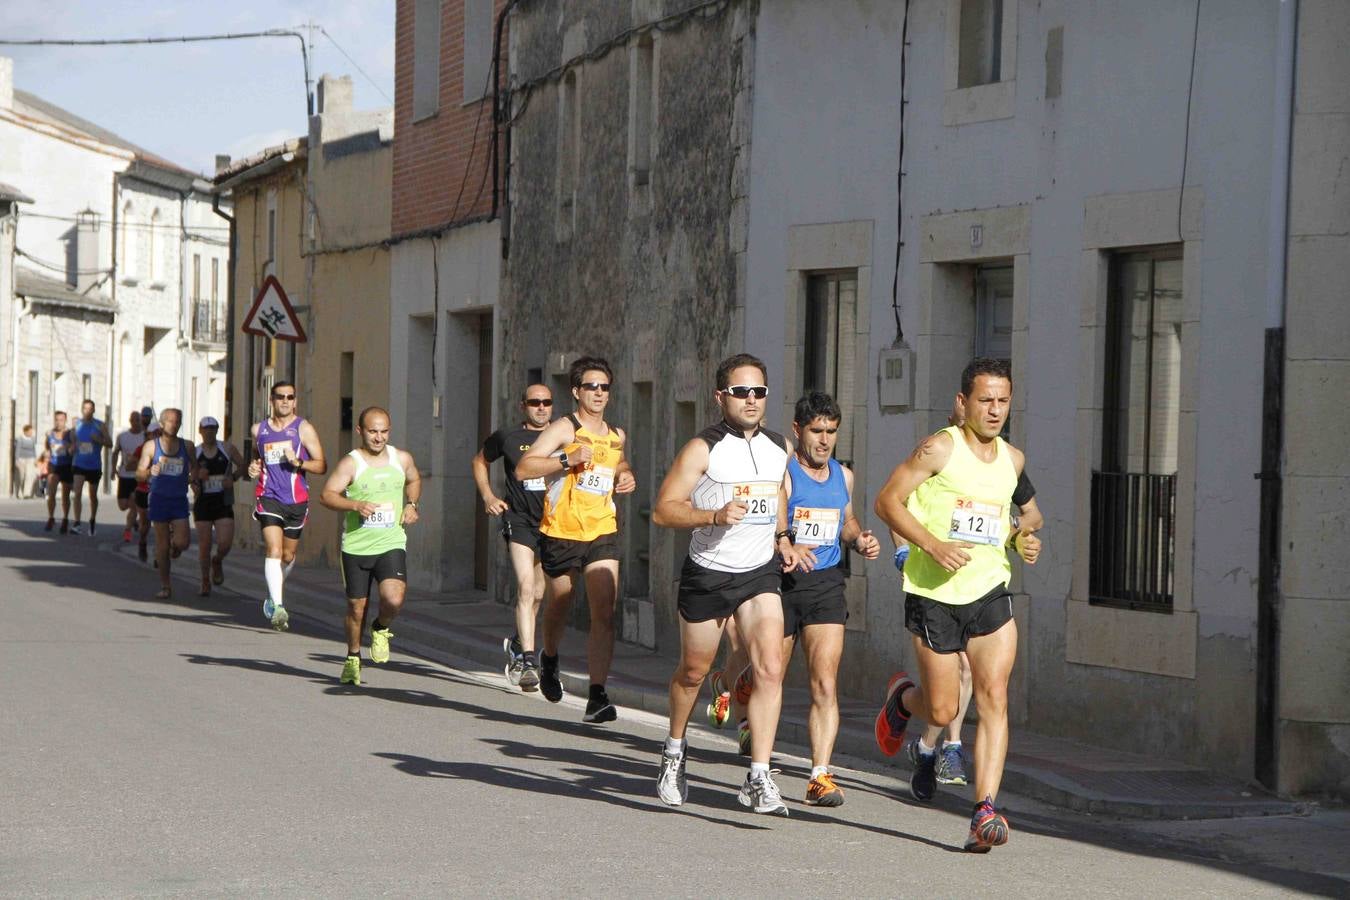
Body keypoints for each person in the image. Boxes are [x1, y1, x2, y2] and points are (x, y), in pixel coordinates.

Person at [872, 357, 1041, 853]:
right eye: (985, 400)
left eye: (1003, 401)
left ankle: (983, 809)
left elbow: (1008, 524)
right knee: (943, 706)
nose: (995, 410)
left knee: (994, 698)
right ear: (962, 402)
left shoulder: (1013, 461)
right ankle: (903, 700)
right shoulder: (938, 449)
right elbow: (887, 501)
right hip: (934, 595)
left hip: (990, 590)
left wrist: (1021, 541)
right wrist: (930, 545)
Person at [652, 353, 793, 816]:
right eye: (741, 392)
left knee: (770, 666)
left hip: (759, 573)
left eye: (759, 392)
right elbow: (664, 509)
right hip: (709, 573)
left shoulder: (780, 446)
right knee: (693, 672)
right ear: (721, 397)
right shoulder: (703, 448)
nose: (751, 400)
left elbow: (778, 496)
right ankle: (674, 751)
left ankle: (758, 775)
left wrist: (783, 537)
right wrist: (712, 515)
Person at [763, 391, 881, 807]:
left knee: (825, 682)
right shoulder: (785, 474)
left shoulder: (842, 476)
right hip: (781, 585)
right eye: (817, 431)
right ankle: (739, 696)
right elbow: (772, 524)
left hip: (827, 583)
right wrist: (787, 544)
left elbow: (846, 521)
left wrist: (860, 538)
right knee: (769, 678)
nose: (825, 440)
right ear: (798, 431)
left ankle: (819, 775)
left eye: (831, 431)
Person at [515, 357, 635, 722]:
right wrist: (566, 460)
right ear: (576, 391)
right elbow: (524, 468)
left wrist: (625, 476)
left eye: (604, 387)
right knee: (560, 603)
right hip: (562, 530)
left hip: (601, 528)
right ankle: (549, 657)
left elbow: (619, 463)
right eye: (591, 387)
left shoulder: (616, 435)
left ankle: (597, 694)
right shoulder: (563, 430)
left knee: (604, 610)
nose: (598, 393)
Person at [320, 407, 422, 686]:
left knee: (394, 598)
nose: (379, 437)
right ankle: (353, 656)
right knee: (356, 607)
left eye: (384, 431)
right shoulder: (351, 463)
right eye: (373, 431)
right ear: (360, 431)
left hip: (390, 541)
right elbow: (327, 495)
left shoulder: (401, 458)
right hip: (356, 546)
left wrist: (412, 504)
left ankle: (381, 627)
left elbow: (414, 480)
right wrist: (355, 504)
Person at [472, 384, 555, 692]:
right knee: (525, 586)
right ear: (524, 406)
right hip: (518, 519)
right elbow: (479, 460)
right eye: (535, 402)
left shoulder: (562, 437)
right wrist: (488, 496)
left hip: (551, 522)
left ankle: (519, 643)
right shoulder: (508, 437)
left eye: (547, 402)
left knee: (538, 594)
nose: (541, 407)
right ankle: (529, 662)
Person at [247, 381, 326, 631]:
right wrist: (252, 468)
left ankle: (273, 593)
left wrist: (299, 462)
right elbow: (255, 458)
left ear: (295, 401)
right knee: (273, 549)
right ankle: (279, 608)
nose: (285, 401)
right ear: (271, 399)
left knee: (288, 555)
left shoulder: (303, 429)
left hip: (297, 500)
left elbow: (321, 465)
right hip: (268, 497)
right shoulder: (258, 430)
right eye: (280, 396)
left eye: (290, 397)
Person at [136, 409, 194, 599]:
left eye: (177, 421)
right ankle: (166, 585)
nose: (174, 424)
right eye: (169, 421)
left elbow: (196, 468)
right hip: (159, 499)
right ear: (161, 423)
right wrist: (148, 472)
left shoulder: (188, 446)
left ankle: (174, 546)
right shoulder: (151, 447)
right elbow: (138, 474)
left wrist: (196, 477)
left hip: (179, 499)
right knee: (162, 545)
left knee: (182, 542)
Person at [191, 416, 245, 597]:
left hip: (223, 501)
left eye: (213, 428)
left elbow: (244, 465)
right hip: (203, 502)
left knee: (225, 543)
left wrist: (234, 478)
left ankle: (218, 560)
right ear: (200, 430)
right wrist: (197, 475)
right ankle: (205, 581)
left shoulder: (227, 448)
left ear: (217, 430)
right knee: (204, 545)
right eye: (206, 429)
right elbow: (186, 476)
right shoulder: (195, 453)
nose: (209, 432)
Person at [70, 399, 112, 534]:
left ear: (94, 410)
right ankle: (77, 522)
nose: (87, 411)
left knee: (93, 495)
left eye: (90, 408)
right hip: (79, 463)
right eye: (85, 408)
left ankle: (92, 519)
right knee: (77, 493)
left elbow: (110, 443)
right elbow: (72, 444)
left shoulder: (100, 425)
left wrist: (99, 440)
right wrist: (72, 448)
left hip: (94, 465)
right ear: (82, 410)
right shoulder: (77, 425)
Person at [112, 410, 147, 542]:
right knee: (123, 506)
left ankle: (127, 530)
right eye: (133, 420)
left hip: (138, 476)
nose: (135, 422)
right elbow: (115, 452)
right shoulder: (122, 436)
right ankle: (134, 520)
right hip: (124, 475)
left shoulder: (145, 437)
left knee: (133, 504)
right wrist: (112, 469)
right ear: (130, 421)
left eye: (138, 420)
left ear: (140, 421)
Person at [44, 411, 74, 533]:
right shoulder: (50, 434)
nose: (58, 422)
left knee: (65, 495)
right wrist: (46, 454)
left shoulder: (70, 434)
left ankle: (65, 519)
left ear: (65, 420)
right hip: (54, 465)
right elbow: (47, 448)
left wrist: (69, 448)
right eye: (56, 420)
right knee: (51, 493)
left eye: (61, 420)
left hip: (66, 466)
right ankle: (51, 517)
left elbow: (74, 448)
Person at [13, 424, 38, 498]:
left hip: (30, 459)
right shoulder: (20, 439)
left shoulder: (32, 439)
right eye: (30, 431)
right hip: (21, 459)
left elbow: (34, 449)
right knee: (22, 476)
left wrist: (35, 458)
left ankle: (26, 493)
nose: (31, 433)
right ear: (25, 431)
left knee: (29, 475)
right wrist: (16, 460)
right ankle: (20, 491)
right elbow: (17, 449)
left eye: (31, 432)